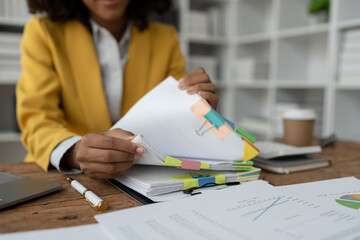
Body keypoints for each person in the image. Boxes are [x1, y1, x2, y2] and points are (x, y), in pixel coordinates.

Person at [17, 0, 219, 179]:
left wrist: (203, 113)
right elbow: (36, 118)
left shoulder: (165, 37)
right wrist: (74, 151)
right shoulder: (43, 32)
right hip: (64, 177)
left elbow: (176, 118)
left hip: (146, 176)